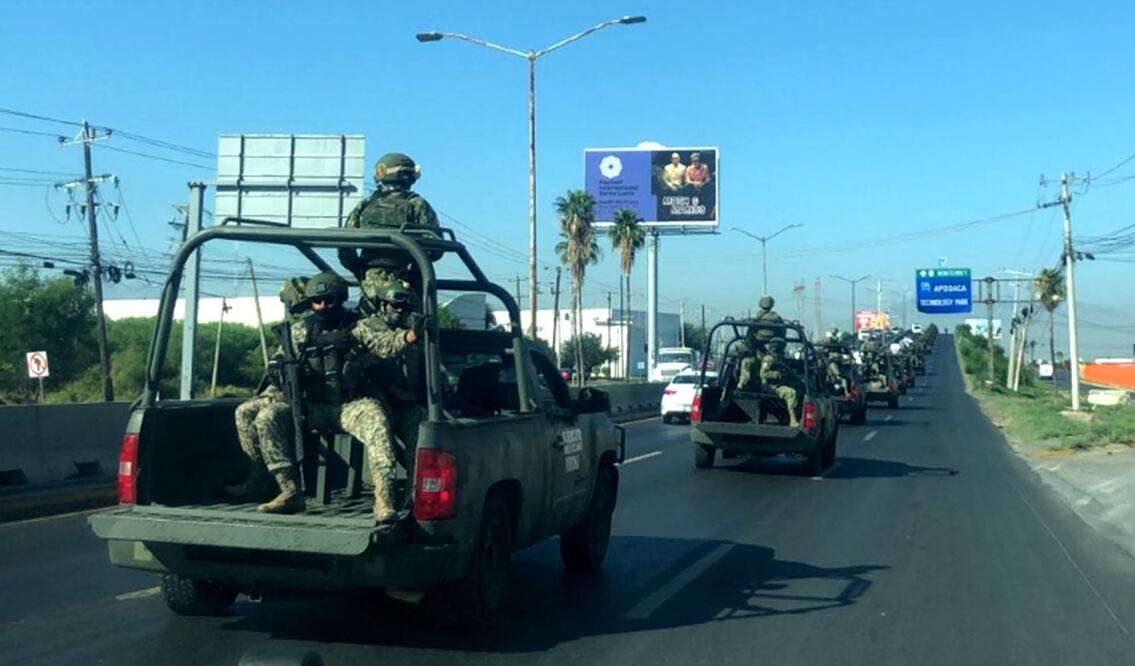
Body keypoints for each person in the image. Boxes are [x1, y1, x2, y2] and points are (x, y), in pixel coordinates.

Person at [227, 277, 314, 513]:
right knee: (244, 412)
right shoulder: (294, 328)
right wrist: (276, 365)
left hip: (308, 396)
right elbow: (281, 361)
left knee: (266, 417)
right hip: (284, 391)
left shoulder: (317, 325)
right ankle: (259, 478)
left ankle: (289, 488)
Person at [338, 152, 440, 306]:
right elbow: (435, 247)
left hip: (370, 283)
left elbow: (345, 245)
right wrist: (414, 272)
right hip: (406, 285)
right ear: (407, 177)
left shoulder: (365, 204)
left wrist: (360, 271)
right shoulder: (417, 204)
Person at [737, 295, 785, 388]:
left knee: (752, 364)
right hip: (763, 353)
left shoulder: (756, 318)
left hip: (766, 353)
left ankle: (746, 384)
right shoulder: (777, 319)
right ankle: (748, 384)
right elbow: (782, 334)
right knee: (749, 363)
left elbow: (750, 333)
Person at [760, 337, 800, 428]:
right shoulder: (769, 359)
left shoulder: (779, 358)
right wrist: (775, 374)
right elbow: (763, 374)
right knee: (791, 393)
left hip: (780, 384)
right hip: (771, 386)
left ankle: (791, 417)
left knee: (799, 387)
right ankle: (792, 419)